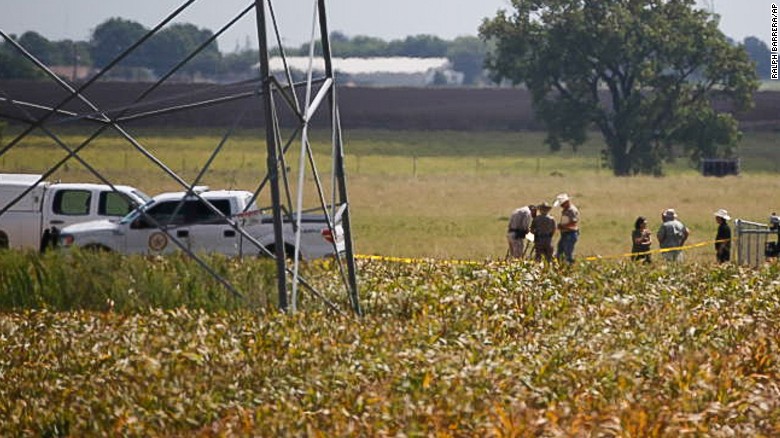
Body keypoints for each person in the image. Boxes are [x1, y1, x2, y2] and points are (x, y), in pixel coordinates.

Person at [554, 193, 580, 264]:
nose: (561, 206)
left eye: (562, 204)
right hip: (565, 234)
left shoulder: (571, 210)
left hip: (570, 234)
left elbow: (573, 223)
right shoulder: (566, 210)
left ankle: (569, 268)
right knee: (560, 252)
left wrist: (563, 226)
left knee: (568, 254)